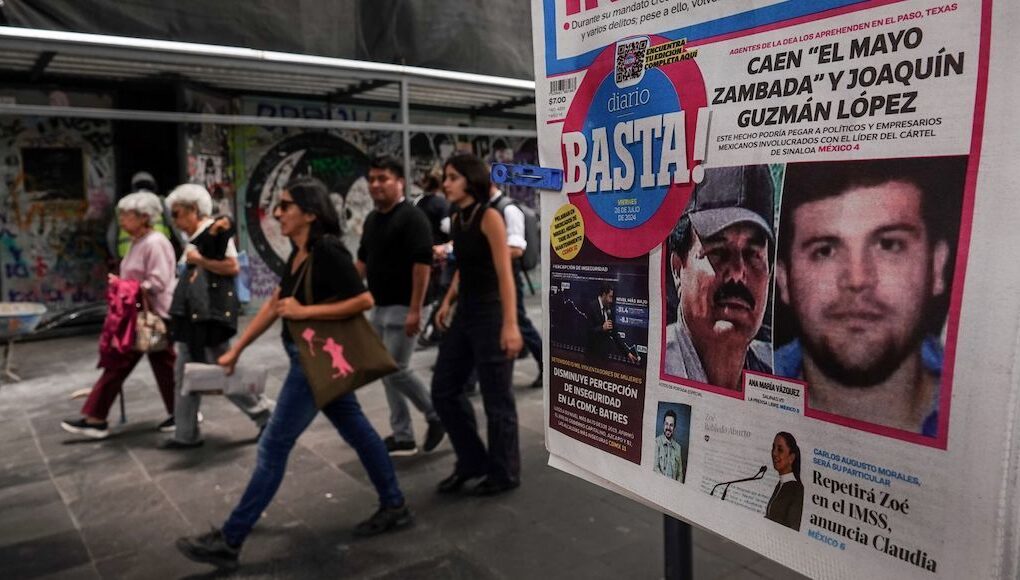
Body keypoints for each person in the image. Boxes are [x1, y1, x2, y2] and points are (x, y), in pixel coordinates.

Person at [176, 177, 411, 570]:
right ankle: (394, 503)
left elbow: (363, 300)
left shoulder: (328, 250)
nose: (277, 213)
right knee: (356, 429)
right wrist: (237, 349)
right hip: (308, 355)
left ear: (310, 213)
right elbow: (275, 304)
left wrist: (306, 312)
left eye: (286, 206)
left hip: (312, 360)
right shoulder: (300, 251)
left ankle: (230, 540)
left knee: (272, 446)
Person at [773, 158, 961, 436]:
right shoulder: (743, 384)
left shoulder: (982, 413)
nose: (857, 279)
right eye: (825, 251)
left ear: (937, 267)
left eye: (889, 245)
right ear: (783, 280)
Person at [431, 153, 524, 496]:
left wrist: (511, 325)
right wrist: (447, 301)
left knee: (496, 398)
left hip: (491, 313)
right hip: (466, 312)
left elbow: (504, 274)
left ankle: (504, 472)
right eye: (446, 177)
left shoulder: (489, 217)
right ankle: (471, 460)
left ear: (471, 180)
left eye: (452, 177)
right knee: (444, 389)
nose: (446, 183)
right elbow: (464, 267)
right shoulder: (458, 218)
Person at [160, 184, 272, 449]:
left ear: (193, 210)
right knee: (184, 373)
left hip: (209, 315)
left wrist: (199, 260)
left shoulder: (213, 233)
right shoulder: (195, 236)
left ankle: (267, 415)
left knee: (223, 370)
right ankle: (186, 433)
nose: (175, 221)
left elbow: (232, 267)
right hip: (193, 316)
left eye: (177, 214)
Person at [62, 192, 178, 439]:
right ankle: (181, 413)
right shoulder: (138, 241)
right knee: (158, 366)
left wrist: (123, 285)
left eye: (127, 215)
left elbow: (158, 282)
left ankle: (96, 418)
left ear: (144, 217)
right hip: (136, 314)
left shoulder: (155, 243)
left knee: (124, 364)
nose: (122, 220)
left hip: (151, 316)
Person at [357, 156, 445, 457]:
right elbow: (363, 260)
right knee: (385, 370)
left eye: (382, 178)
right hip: (380, 305)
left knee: (396, 369)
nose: (375, 184)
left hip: (405, 306)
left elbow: (422, 265)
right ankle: (403, 435)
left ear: (399, 182)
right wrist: (346, 293)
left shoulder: (412, 218)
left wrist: (415, 309)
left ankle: (436, 415)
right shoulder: (372, 219)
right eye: (372, 179)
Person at [664, 165, 774, 390]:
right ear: (677, 269)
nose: (737, 273)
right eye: (718, 252)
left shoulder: (777, 371)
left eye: (753, 254)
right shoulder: (652, 365)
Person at [489, 184, 544, 389]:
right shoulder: (487, 207)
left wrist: (486, 253)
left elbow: (517, 249)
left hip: (509, 277)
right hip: (493, 277)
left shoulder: (508, 209)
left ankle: (546, 364)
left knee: (520, 322)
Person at [585, 283, 640, 364]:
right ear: (604, 295)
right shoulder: (591, 307)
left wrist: (627, 353)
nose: (611, 300)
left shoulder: (609, 309)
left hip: (604, 357)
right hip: (592, 357)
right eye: (610, 297)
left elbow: (615, 334)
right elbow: (587, 332)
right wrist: (602, 328)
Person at [764, 431, 803, 531]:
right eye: (773, 448)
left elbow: (793, 527)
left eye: (780, 450)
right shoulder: (780, 484)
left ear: (791, 457)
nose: (774, 453)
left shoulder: (796, 489)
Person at [653, 409, 684, 481]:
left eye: (671, 425)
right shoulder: (656, 442)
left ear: (674, 427)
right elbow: (655, 467)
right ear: (663, 425)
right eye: (666, 424)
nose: (668, 428)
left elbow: (680, 474)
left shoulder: (678, 448)